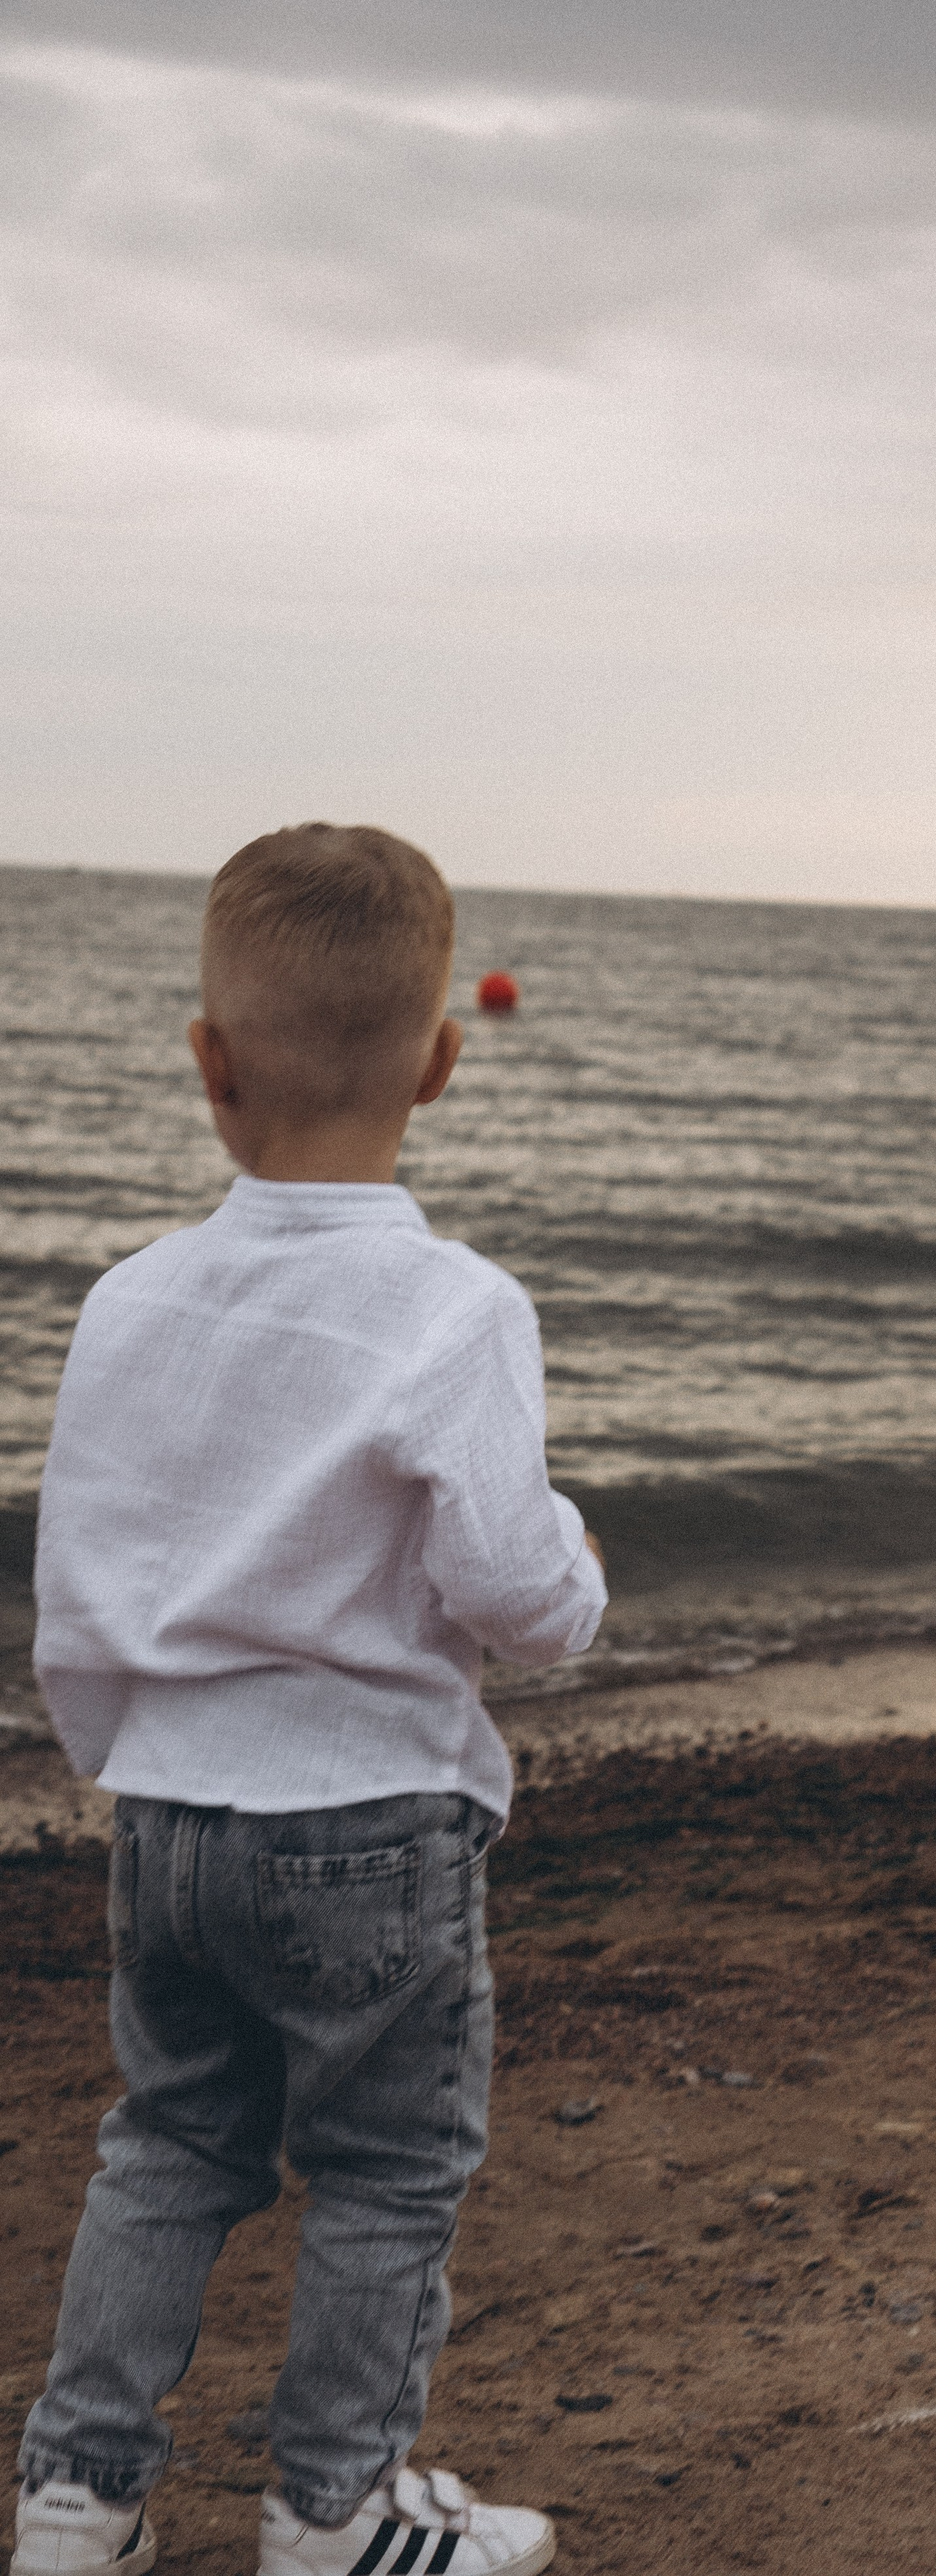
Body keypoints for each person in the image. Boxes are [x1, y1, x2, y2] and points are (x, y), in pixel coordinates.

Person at [13, 824, 606, 2576]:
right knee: (386, 2173)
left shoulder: (129, 1303)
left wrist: (127, 1756)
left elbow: (81, 1589)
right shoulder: (453, 1310)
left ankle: (76, 2499)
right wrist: (572, 1585)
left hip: (172, 1814)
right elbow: (513, 1587)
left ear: (207, 1065)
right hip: (371, 1821)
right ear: (441, 1059)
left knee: (168, 2146)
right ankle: (334, 2513)